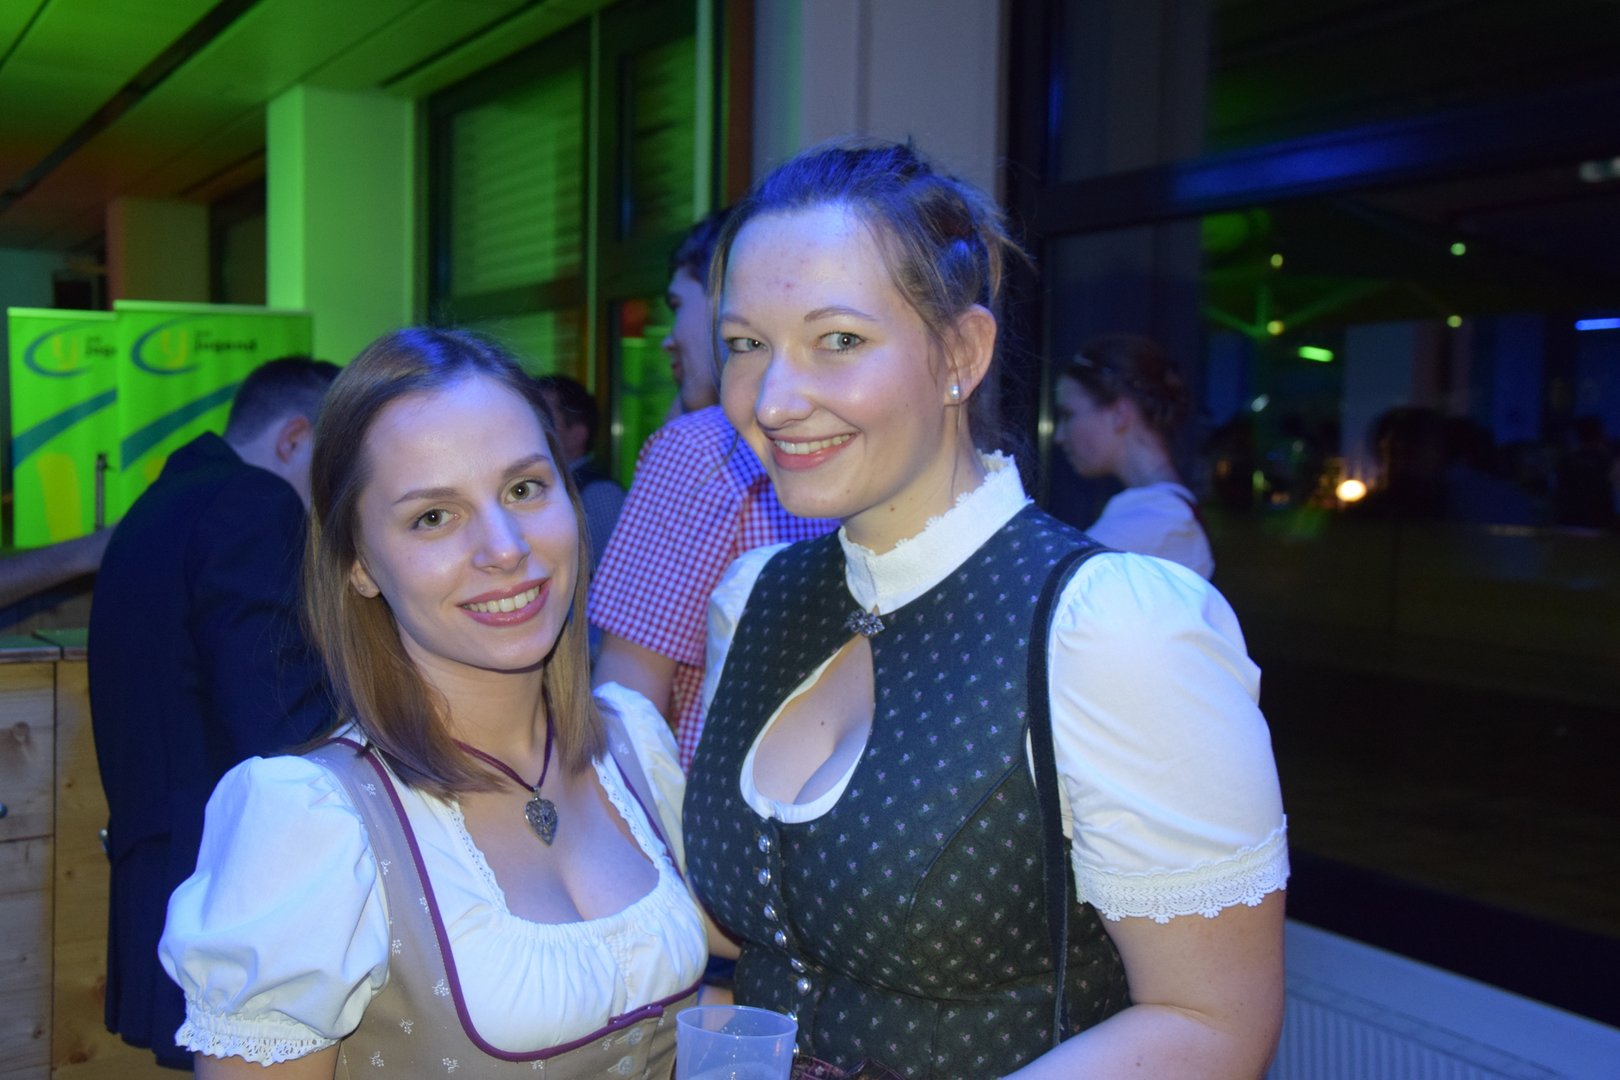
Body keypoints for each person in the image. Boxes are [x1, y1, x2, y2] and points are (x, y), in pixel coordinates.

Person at [684, 140, 1288, 1078]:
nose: (774, 399)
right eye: (744, 345)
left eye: (838, 340)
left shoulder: (1112, 628)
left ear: (961, 354)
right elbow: (759, 933)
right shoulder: (755, 598)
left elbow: (1212, 1023)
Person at [159, 328, 708, 1075]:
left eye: (524, 488)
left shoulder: (631, 743)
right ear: (358, 564)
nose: (505, 547)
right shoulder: (312, 823)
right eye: (433, 517)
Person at [89, 356, 339, 1069]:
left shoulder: (167, 500)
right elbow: (283, 725)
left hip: (162, 868)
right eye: (337, 460)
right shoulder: (255, 502)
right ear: (294, 439)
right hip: (221, 877)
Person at [591, 209, 835, 768]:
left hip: (703, 808)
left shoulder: (700, 449)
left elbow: (627, 709)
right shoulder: (839, 441)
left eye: (677, 305)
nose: (667, 340)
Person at [1052, 333, 1215, 578]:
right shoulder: (1165, 513)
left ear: (1120, 414)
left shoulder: (1158, 518)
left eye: (1068, 415)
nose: (1059, 436)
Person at [535, 373, 625, 573]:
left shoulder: (601, 493)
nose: (530, 425)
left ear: (577, 435)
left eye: (544, 419)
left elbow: (618, 574)